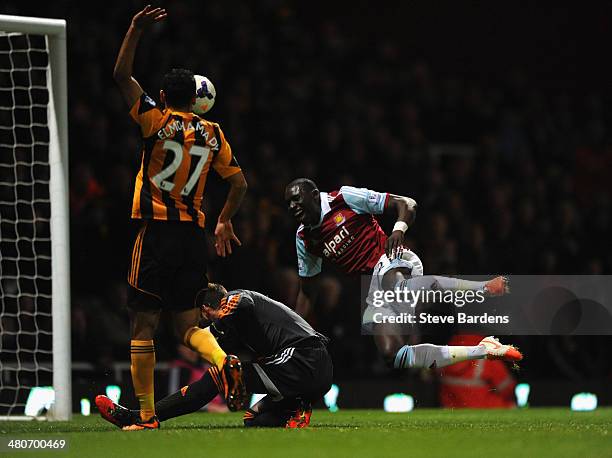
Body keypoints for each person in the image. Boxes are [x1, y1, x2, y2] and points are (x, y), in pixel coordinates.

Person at [113, 6, 248, 430]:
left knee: (144, 323)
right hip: (193, 236)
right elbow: (240, 183)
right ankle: (224, 360)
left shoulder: (155, 118)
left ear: (165, 96)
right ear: (197, 98)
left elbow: (120, 75)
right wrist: (224, 221)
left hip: (155, 233)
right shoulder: (215, 133)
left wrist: (135, 30)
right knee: (188, 325)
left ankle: (148, 416)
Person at [285, 178, 523, 372]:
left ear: (315, 194)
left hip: (393, 259)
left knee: (398, 288)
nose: (292, 206)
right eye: (288, 203)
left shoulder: (343, 198)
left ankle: (483, 288)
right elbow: (308, 290)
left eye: (297, 199)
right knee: (393, 355)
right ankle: (485, 349)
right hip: (374, 290)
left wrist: (398, 229)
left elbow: (407, 204)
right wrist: (294, 333)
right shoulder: (304, 238)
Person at [96, 283, 333, 429]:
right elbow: (209, 341)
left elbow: (242, 305)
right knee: (254, 419)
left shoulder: (235, 298)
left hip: (304, 358)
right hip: (308, 368)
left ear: (206, 309)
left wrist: (216, 326)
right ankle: (296, 406)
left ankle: (140, 417)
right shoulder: (233, 325)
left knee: (217, 376)